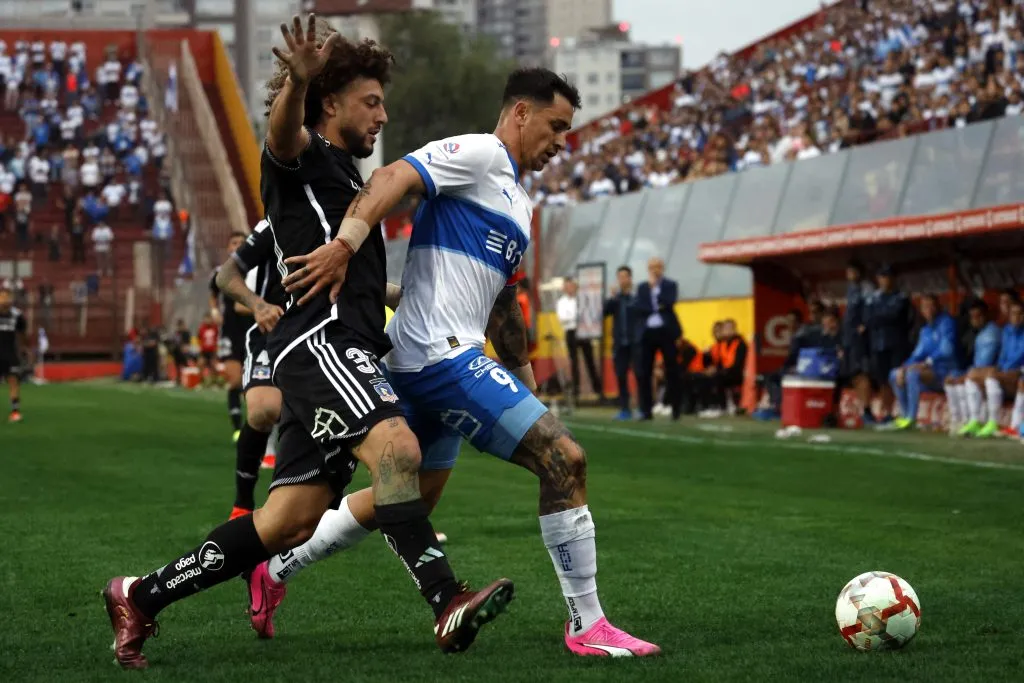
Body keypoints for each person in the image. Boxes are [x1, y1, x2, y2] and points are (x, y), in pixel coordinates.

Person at [102, 16, 508, 669]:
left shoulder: (349, 180)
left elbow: (365, 282)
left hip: (335, 343)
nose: (381, 115)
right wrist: (296, 79)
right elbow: (281, 136)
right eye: (370, 102)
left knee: (288, 520)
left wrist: (415, 297)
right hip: (321, 340)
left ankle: (140, 594)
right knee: (398, 447)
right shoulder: (303, 161)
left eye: (383, 102)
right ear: (330, 103)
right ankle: (445, 598)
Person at [261, 65, 659, 657]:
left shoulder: (517, 203)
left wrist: (524, 382)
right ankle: (587, 624)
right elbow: (395, 175)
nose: (560, 142)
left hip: (421, 364)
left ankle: (274, 571)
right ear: (520, 112)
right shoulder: (480, 153)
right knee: (565, 461)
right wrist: (345, 243)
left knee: (407, 499)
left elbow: (502, 302)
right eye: (554, 125)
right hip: (441, 360)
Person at [214, 219, 287, 518]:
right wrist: (259, 305)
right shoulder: (272, 225)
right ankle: (243, 503)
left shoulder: (341, 225)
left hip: (322, 333)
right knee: (262, 409)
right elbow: (226, 277)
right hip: (269, 331)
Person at [210, 231, 256, 442]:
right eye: (234, 242)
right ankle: (238, 428)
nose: (238, 245)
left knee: (251, 382)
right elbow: (213, 291)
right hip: (230, 331)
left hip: (253, 329)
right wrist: (214, 311)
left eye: (242, 242)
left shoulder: (255, 270)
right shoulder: (222, 272)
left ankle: (255, 426)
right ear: (228, 248)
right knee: (235, 380)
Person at [889, 295, 959, 430]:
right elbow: (916, 355)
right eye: (925, 307)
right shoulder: (925, 330)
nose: (928, 309)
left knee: (913, 374)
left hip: (946, 372)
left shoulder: (946, 323)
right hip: (930, 373)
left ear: (938, 306)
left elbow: (947, 350)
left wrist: (926, 363)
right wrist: (903, 367)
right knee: (894, 374)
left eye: (931, 305)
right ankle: (904, 414)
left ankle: (911, 418)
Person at [960, 296, 1024, 439]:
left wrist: (1001, 370)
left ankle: (996, 422)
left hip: (1018, 373)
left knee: (990, 376)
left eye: (1020, 313)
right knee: (972, 377)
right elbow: (1003, 355)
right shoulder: (1007, 331)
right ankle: (975, 420)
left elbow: (1019, 356)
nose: (1017, 317)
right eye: (1014, 313)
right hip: (1006, 373)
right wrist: (999, 368)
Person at [944, 299, 1000, 436]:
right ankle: (963, 420)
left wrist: (969, 373)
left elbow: (985, 362)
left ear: (985, 316)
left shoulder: (991, 333)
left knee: (968, 379)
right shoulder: (980, 333)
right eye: (972, 317)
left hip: (992, 371)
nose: (974, 320)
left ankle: (981, 420)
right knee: (953, 379)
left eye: (978, 316)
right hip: (981, 370)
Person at [635, 257, 681, 420]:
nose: (655, 270)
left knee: (672, 370)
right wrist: (656, 306)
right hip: (648, 332)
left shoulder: (670, 285)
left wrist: (656, 293)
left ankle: (675, 409)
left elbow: (669, 303)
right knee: (644, 372)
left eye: (658, 267)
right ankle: (646, 410)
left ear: (663, 268)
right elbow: (640, 306)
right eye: (652, 267)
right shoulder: (642, 287)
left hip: (666, 331)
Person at [865, 265, 912, 424]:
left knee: (896, 378)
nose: (884, 280)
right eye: (881, 277)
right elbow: (868, 319)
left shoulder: (900, 297)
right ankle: (887, 412)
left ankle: (902, 411)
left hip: (896, 343)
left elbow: (895, 316)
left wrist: (879, 317)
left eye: (887, 276)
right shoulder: (873, 298)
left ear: (893, 279)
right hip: (878, 344)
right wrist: (880, 317)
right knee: (882, 380)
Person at [604, 265, 639, 420]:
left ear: (630, 278)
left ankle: (642, 407)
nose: (622, 280)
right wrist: (612, 297)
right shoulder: (616, 298)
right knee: (621, 375)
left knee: (640, 375)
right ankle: (625, 408)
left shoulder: (636, 296)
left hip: (636, 342)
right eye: (620, 277)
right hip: (620, 343)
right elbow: (605, 312)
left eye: (625, 277)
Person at [557, 277, 602, 400]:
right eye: (567, 286)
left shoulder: (582, 299)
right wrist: (577, 317)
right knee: (574, 362)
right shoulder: (562, 302)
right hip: (571, 332)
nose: (569, 288)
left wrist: (577, 317)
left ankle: (598, 390)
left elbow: (588, 314)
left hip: (583, 331)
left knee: (590, 360)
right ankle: (576, 391)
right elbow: (563, 318)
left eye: (571, 285)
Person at [0, 281, 27, 422]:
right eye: (2, 296)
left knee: (13, 381)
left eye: (7, 297)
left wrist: (23, 350)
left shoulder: (17, 315)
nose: (5, 299)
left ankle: (15, 411)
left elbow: (22, 334)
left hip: (9, 353)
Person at [196, 313, 218, 385]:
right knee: (200, 364)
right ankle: (201, 382)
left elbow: (217, 338)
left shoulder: (215, 327)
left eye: (209, 319)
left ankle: (214, 382)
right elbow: (199, 338)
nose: (208, 320)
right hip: (204, 351)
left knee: (213, 366)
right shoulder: (201, 328)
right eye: (206, 319)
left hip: (212, 351)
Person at [171, 318, 192, 387]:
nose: (180, 327)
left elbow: (188, 343)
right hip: (177, 352)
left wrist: (185, 348)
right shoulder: (176, 333)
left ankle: (187, 379)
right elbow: (174, 342)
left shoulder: (186, 333)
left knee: (185, 366)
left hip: (184, 352)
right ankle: (178, 379)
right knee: (177, 366)